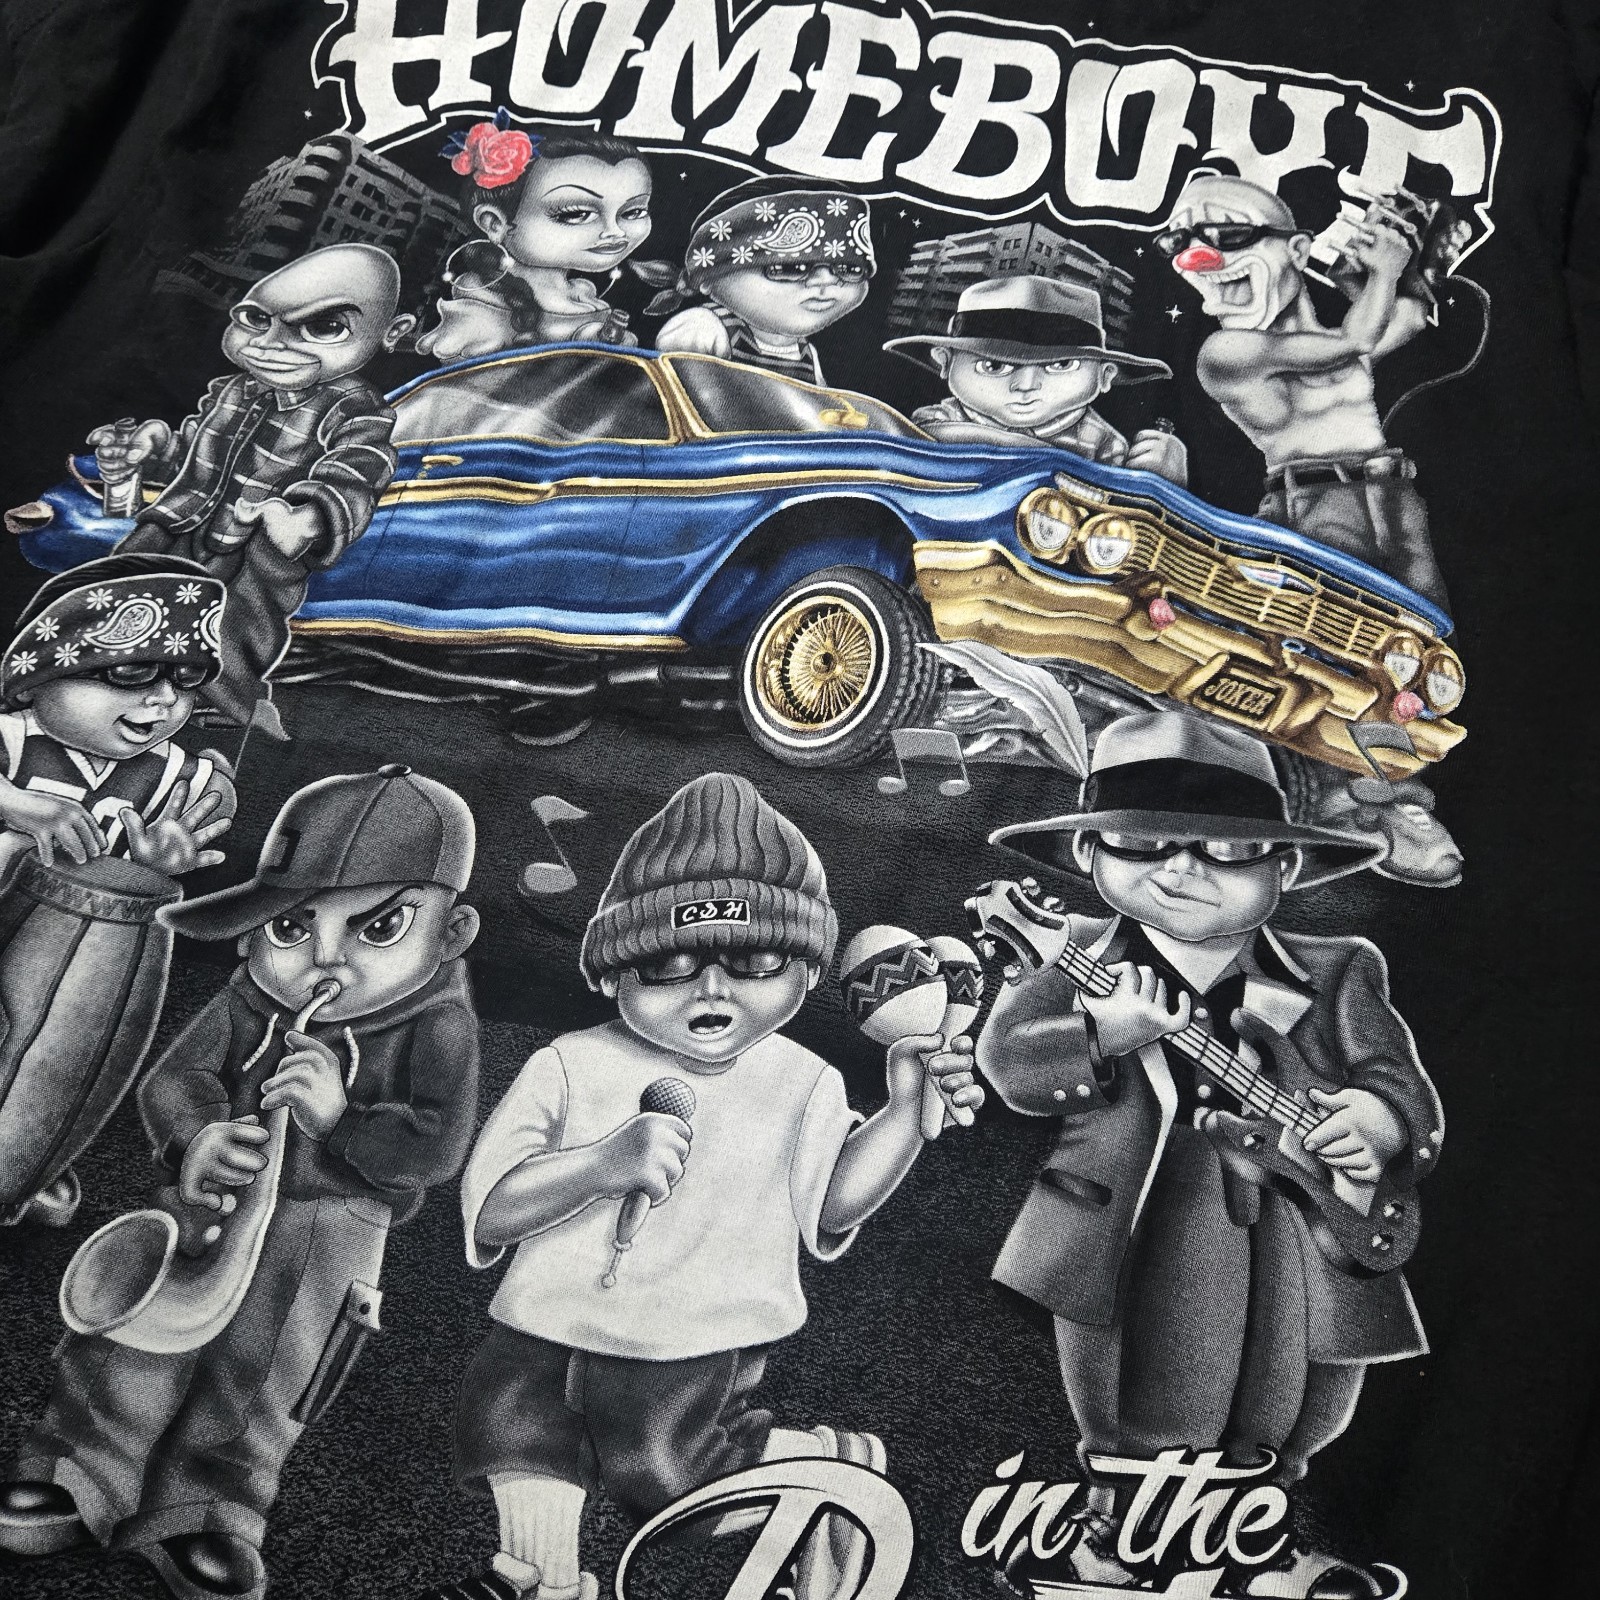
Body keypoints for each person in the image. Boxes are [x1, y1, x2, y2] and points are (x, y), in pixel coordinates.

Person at [419, 772, 982, 1600]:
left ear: (804, 973)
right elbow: (493, 1208)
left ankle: (816, 1471)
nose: (711, 988)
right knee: (508, 1430)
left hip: (692, 1333)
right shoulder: (570, 1062)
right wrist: (598, 1165)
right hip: (539, 1320)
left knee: (665, 1471)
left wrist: (903, 1115)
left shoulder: (803, 1081)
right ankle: (543, 1582)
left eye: (752, 960)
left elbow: (831, 1204)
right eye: (669, 962)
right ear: (611, 974)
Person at [975, 711, 1442, 1599]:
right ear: (1088, 852)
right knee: (1152, 1391)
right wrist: (1101, 1034)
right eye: (1143, 843)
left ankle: (1258, 1541)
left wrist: (1379, 1121)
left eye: (1227, 850)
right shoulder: (1074, 960)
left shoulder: (1340, 968)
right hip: (1145, 1213)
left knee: (1301, 1396)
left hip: (1311, 1222)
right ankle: (1119, 1543)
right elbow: (1008, 1061)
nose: (1182, 870)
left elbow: (1400, 1085)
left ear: (1286, 867)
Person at [0, 765, 483, 1600]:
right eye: (291, 926)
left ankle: (207, 1511)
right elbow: (176, 1076)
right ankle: (79, 1470)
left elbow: (438, 1146)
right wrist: (197, 1134)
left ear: (452, 933)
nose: (324, 958)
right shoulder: (251, 997)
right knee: (131, 1343)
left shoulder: (439, 1025)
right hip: (208, 1205)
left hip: (329, 1236)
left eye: (379, 927)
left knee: (264, 1378)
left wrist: (343, 1120)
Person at [0, 552, 238, 1226]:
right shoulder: (13, 739)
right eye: (130, 673)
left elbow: (211, 808)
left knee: (61, 1043)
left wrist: (164, 858)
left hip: (69, 940)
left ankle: (32, 1151)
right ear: (34, 681)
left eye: (183, 679)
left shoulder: (167, 772)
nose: (162, 701)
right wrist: (20, 806)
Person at [99, 243, 415, 736]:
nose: (268, 344)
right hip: (186, 519)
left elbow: (360, 468)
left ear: (392, 333)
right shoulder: (234, 389)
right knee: (128, 583)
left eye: (323, 327)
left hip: (260, 542)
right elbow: (199, 448)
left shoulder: (352, 406)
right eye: (255, 318)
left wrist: (308, 517)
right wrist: (158, 446)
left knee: (237, 623)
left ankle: (225, 702)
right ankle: (111, 665)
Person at [1158, 171, 1455, 609]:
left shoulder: (1325, 343)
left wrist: (1424, 254)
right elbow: (1356, 341)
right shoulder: (1224, 352)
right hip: (1314, 509)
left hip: (1396, 499)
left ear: (1297, 251)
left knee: (1428, 638)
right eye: (1176, 242)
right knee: (1337, 639)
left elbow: (1408, 321)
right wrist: (1384, 272)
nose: (1197, 257)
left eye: (1230, 234)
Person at [885, 275, 1190, 483]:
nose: (1026, 386)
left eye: (1062, 364)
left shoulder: (1105, 445)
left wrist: (1161, 483)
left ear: (1104, 375)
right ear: (945, 362)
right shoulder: (936, 420)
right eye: (993, 365)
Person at [418, 116, 658, 361]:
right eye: (576, 214)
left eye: (633, 212)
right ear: (495, 223)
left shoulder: (582, 293)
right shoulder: (479, 309)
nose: (615, 231)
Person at [651, 176, 875, 384]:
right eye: (789, 268)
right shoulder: (704, 328)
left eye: (849, 268)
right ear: (708, 278)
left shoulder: (807, 354)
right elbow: (672, 394)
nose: (825, 280)